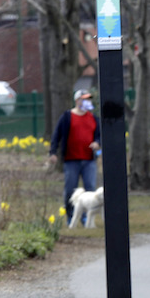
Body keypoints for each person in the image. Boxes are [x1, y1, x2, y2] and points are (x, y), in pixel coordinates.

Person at [49, 89, 101, 224]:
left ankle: (86, 218)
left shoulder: (94, 118)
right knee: (70, 191)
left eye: (88, 99)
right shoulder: (67, 117)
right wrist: (53, 152)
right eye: (84, 99)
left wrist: (97, 143)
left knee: (90, 190)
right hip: (71, 160)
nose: (87, 102)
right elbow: (57, 135)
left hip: (89, 160)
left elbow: (99, 135)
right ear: (77, 101)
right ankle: (71, 216)